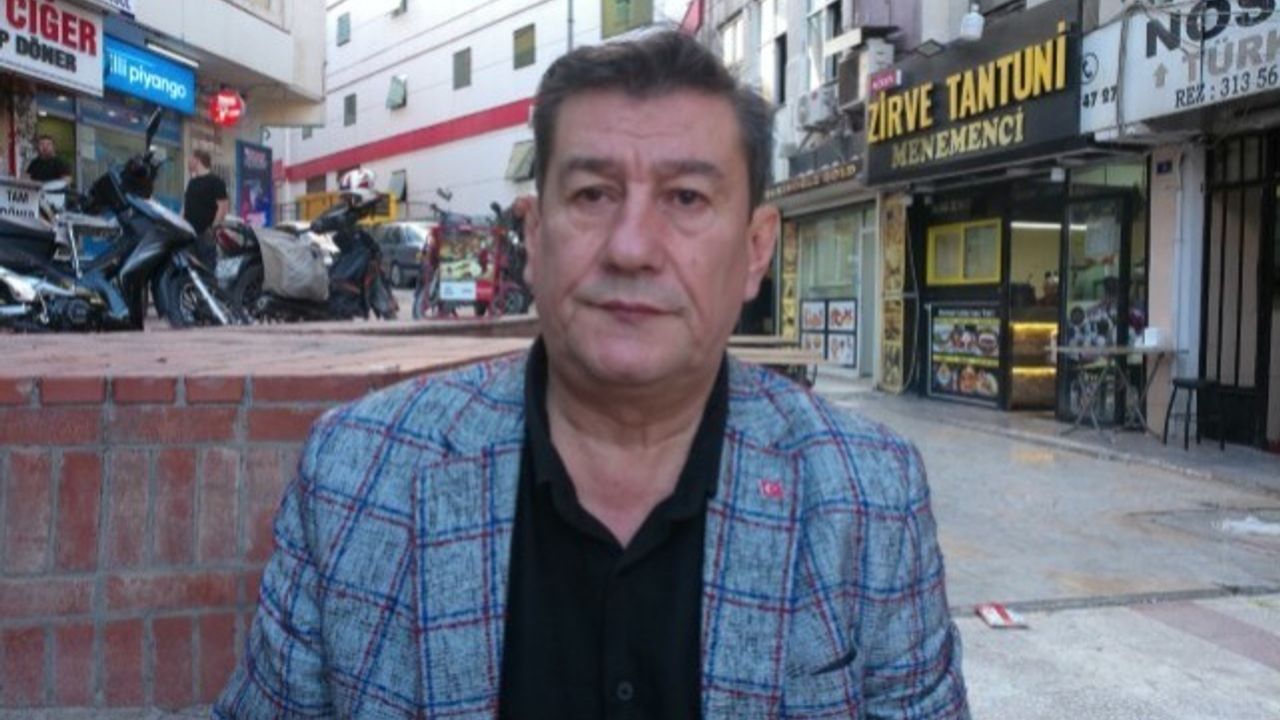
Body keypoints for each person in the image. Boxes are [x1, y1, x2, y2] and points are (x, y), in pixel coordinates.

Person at [215, 30, 968, 719]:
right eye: (592, 195)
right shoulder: (358, 476)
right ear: (535, 235)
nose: (631, 248)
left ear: (755, 249)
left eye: (686, 198)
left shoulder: (869, 499)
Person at [182, 148, 229, 237]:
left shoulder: (216, 182)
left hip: (205, 236)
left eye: (191, 158)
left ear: (197, 160)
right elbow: (185, 205)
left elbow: (223, 208)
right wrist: (180, 223)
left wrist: (212, 230)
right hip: (188, 233)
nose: (188, 161)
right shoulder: (192, 182)